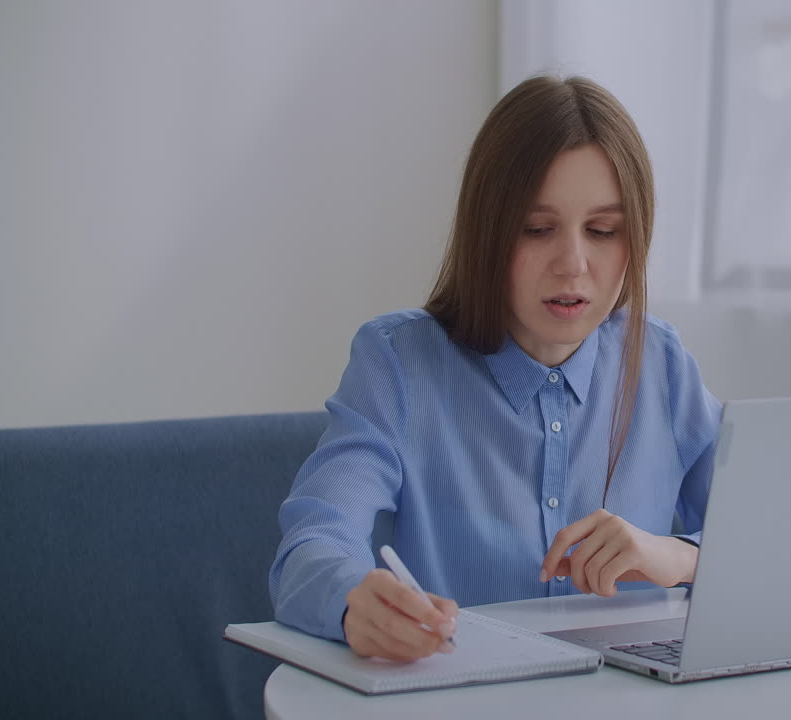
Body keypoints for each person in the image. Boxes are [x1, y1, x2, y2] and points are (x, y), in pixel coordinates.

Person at [269, 75, 721, 663]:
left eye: (603, 231)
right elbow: (313, 541)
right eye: (537, 229)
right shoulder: (398, 363)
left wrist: (678, 557)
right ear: (487, 232)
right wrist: (355, 600)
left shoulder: (661, 364)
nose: (573, 264)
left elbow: (771, 544)